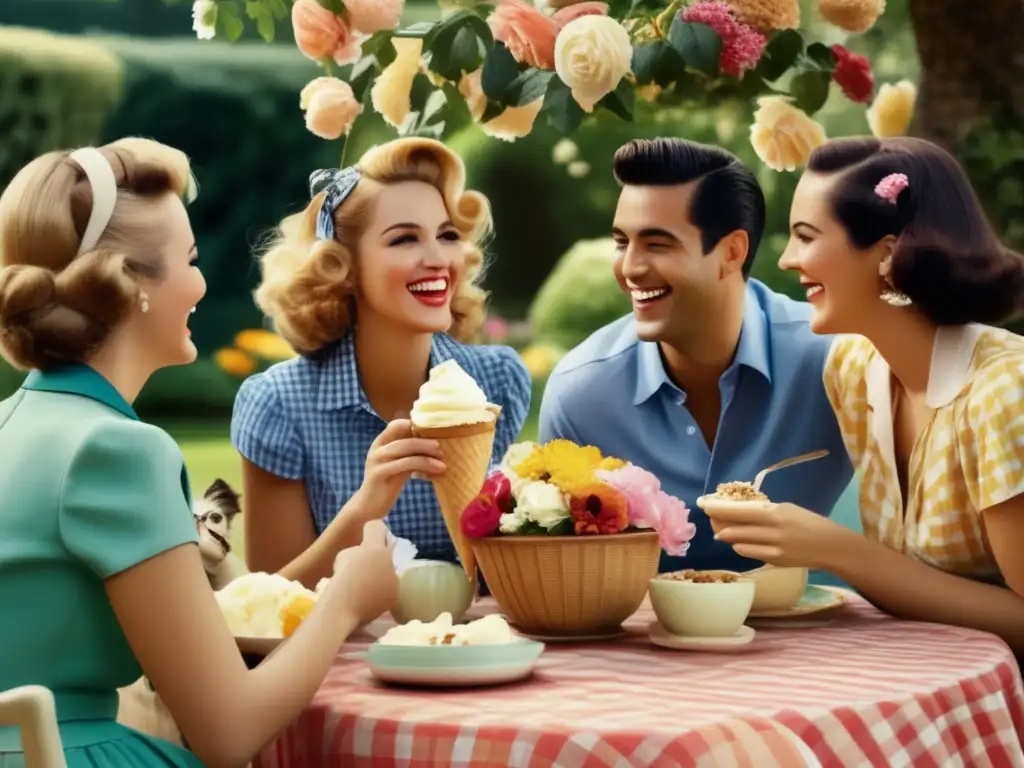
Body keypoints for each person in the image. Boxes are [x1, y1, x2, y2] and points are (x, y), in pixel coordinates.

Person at [0, 139, 399, 768]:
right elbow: (229, 730)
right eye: (188, 259)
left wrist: (353, 520)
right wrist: (346, 603)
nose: (202, 280)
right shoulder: (117, 450)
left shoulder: (12, 426)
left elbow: (198, 622)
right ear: (133, 285)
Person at [711, 135, 1024, 653]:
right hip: (923, 678)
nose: (788, 259)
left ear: (886, 255)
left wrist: (840, 551)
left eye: (807, 237)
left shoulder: (1001, 394)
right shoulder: (854, 371)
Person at [539, 137, 853, 574]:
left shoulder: (837, 361)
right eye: (621, 242)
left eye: (657, 243)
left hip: (829, 632)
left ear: (731, 252)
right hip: (646, 638)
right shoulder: (582, 395)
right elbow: (560, 567)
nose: (629, 267)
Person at [231, 137, 532, 589]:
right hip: (344, 656)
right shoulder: (278, 405)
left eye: (447, 235)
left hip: (483, 650)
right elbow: (268, 604)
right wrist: (366, 506)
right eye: (405, 238)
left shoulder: (498, 381)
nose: (438, 260)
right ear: (343, 267)